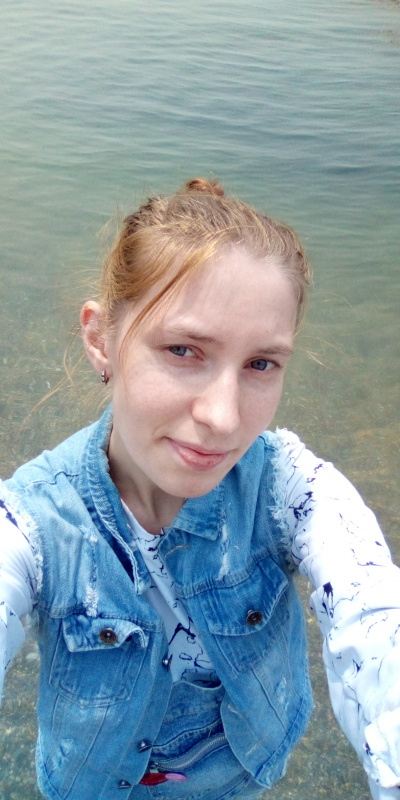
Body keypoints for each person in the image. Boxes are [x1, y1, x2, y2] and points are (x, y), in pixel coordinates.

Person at [0, 178, 399, 800]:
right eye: (184, 350)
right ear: (101, 339)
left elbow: (373, 618)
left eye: (261, 364)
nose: (224, 417)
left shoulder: (287, 488)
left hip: (242, 775)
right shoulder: (31, 524)